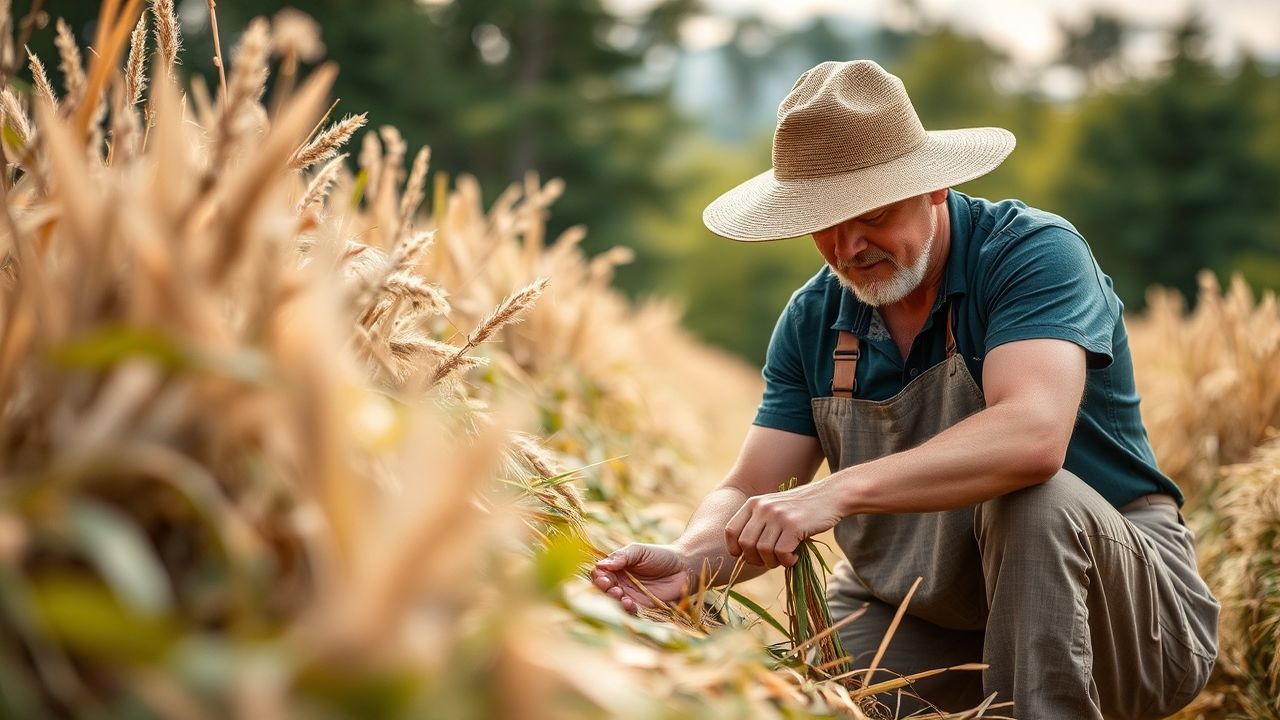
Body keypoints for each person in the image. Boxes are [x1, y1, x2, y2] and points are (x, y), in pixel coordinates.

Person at [591, 60, 1220, 719]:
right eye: (823, 222)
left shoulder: (1031, 255)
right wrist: (687, 560)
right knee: (818, 699)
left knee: (1035, 501)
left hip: (1123, 618)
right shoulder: (812, 320)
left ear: (934, 185)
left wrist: (833, 492)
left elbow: (1032, 437)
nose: (848, 246)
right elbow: (751, 484)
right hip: (924, 609)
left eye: (872, 213)